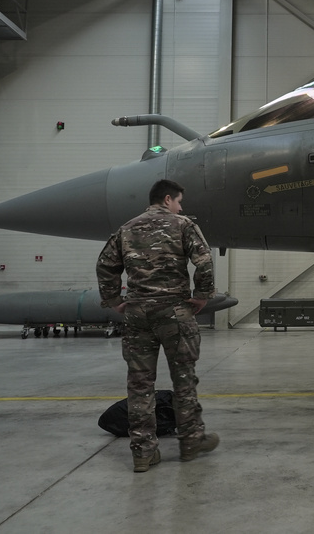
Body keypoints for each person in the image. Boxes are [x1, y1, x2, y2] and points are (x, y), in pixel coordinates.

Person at [96, 179, 219, 472]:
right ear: (167, 199)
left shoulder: (126, 229)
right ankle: (190, 442)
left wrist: (114, 301)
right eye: (179, 201)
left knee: (140, 385)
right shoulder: (183, 224)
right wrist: (201, 297)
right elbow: (204, 261)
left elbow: (105, 265)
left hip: (138, 315)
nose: (181, 207)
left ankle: (143, 453)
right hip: (174, 313)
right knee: (184, 380)